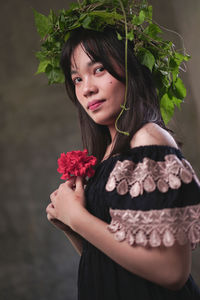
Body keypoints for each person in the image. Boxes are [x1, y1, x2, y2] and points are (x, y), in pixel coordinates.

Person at [44, 11, 200, 300]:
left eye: (98, 69)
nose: (87, 88)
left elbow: (172, 272)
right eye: (77, 78)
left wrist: (78, 218)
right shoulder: (111, 152)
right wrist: (71, 225)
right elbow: (113, 262)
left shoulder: (148, 139)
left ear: (131, 67)